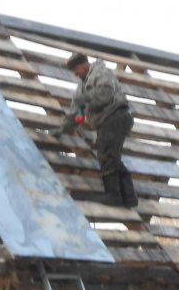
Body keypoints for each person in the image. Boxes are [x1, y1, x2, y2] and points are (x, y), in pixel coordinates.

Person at [55, 52, 138, 207]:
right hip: (106, 121)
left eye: (75, 69)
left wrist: (85, 99)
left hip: (116, 116)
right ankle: (129, 197)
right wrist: (62, 128)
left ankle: (113, 195)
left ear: (84, 64)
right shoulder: (82, 86)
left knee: (106, 155)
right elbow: (75, 112)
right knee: (111, 155)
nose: (75, 74)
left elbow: (105, 95)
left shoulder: (101, 73)